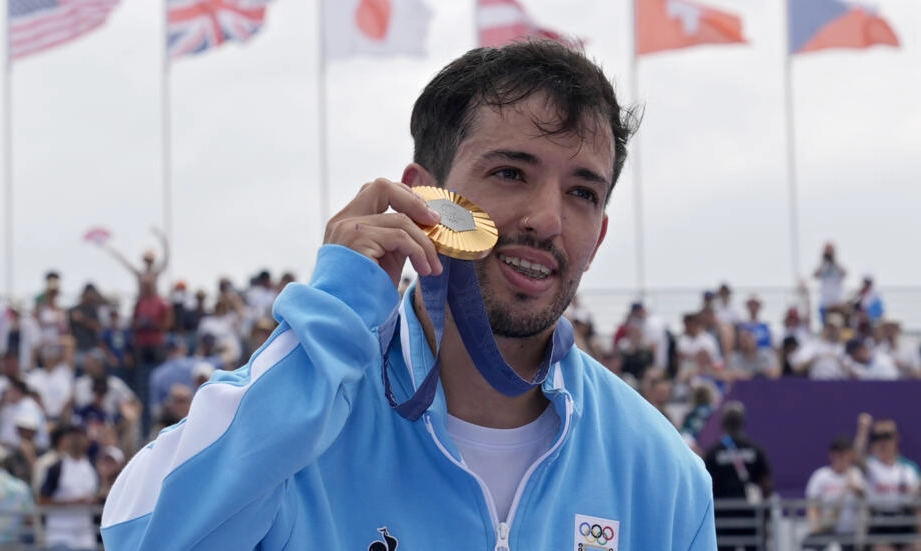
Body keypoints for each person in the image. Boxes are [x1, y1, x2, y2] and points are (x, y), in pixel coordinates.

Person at [100, 40, 716, 549]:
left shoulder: (662, 476)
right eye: (511, 173)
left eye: (583, 192)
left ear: (600, 234)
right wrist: (335, 315)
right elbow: (139, 533)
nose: (547, 218)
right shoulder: (303, 424)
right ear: (423, 200)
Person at [704, 401, 772, 551]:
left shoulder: (713, 453)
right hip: (751, 516)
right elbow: (766, 483)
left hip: (723, 517)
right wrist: (766, 515)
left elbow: (705, 485)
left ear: (723, 424)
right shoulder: (755, 449)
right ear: (742, 423)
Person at [803, 436, 867, 551]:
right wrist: (815, 525)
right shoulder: (820, 476)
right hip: (826, 529)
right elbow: (812, 505)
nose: (840, 458)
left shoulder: (856, 475)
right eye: (837, 454)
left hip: (850, 533)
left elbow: (865, 498)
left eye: (844, 454)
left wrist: (855, 489)